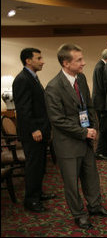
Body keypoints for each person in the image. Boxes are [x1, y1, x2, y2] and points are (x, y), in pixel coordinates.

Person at [45, 43, 107, 230]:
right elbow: (57, 120)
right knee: (72, 183)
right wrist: (84, 131)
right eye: (79, 60)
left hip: (86, 139)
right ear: (66, 63)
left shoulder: (81, 79)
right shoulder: (53, 87)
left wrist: (93, 127)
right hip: (68, 144)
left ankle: (95, 206)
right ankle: (79, 214)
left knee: (91, 176)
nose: (84, 63)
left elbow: (89, 105)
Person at [12, 48, 56, 213]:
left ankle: (37, 193)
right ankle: (31, 200)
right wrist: (34, 129)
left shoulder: (32, 78)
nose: (42, 61)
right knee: (33, 166)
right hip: (33, 132)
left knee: (40, 165)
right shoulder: (22, 79)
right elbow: (23, 109)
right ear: (28, 61)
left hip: (40, 130)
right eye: (39, 58)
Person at [92, 48, 107, 160]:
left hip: (102, 102)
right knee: (104, 128)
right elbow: (102, 86)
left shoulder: (101, 65)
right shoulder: (101, 67)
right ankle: (100, 151)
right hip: (101, 103)